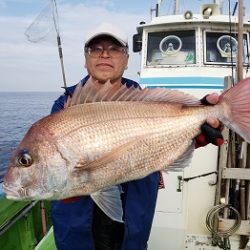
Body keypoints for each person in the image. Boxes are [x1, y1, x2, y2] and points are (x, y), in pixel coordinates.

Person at [50, 23, 223, 250]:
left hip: (133, 222)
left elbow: (161, 135)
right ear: (85, 58)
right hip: (79, 226)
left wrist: (193, 134)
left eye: (114, 48)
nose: (104, 54)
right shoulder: (64, 106)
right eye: (95, 48)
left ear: (126, 59)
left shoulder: (146, 101)